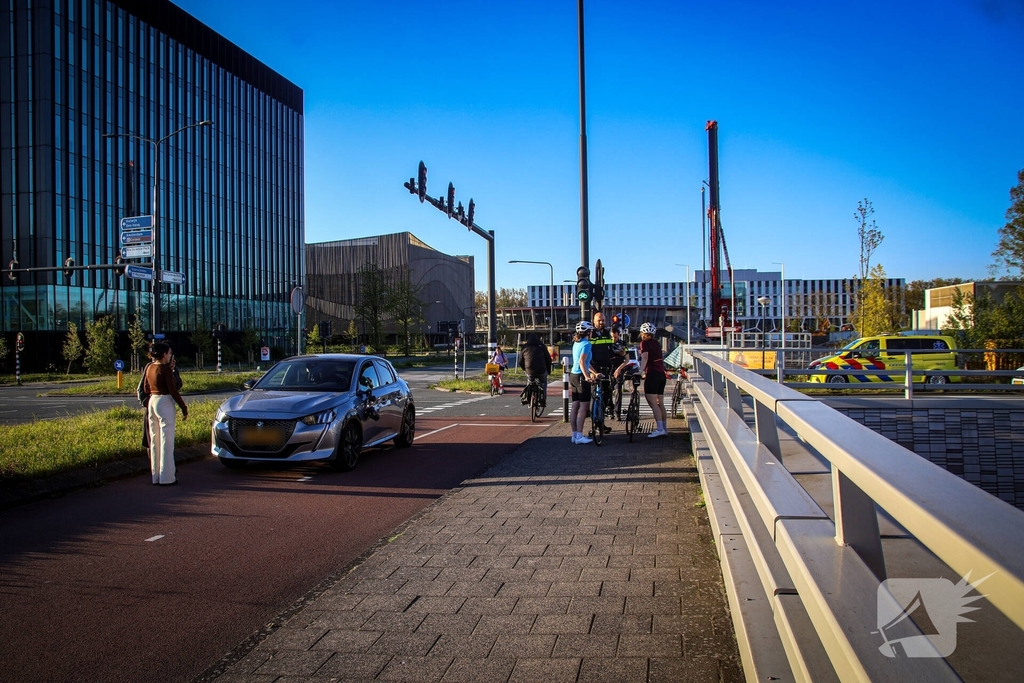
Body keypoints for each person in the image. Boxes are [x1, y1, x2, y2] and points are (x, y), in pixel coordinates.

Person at [141, 343, 188, 485]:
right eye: (169, 353)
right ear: (164, 354)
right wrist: (183, 407)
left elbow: (145, 388)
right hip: (165, 401)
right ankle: (167, 477)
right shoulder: (165, 369)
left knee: (154, 439)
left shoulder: (149, 367)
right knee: (166, 440)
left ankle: (155, 476)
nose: (170, 356)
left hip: (152, 401)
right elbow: (173, 390)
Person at [589, 312, 627, 426]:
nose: (601, 322)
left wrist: (621, 353)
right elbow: (587, 352)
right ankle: (594, 422)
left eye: (603, 320)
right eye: (599, 320)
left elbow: (611, 350)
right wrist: (591, 371)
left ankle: (601, 421)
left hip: (607, 368)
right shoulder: (591, 334)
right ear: (594, 321)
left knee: (606, 395)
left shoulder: (607, 333)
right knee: (594, 395)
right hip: (595, 368)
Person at [570, 321, 599, 444]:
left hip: (573, 375)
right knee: (583, 407)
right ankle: (580, 436)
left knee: (575, 406)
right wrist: (587, 377)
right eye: (591, 331)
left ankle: (574, 435)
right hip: (581, 377)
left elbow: (586, 362)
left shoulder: (577, 343)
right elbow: (582, 362)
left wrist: (595, 372)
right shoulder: (587, 344)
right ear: (588, 332)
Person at [638, 322, 668, 438]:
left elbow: (645, 358)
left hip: (652, 374)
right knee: (661, 403)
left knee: (653, 403)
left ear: (642, 333)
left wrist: (641, 371)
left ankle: (659, 429)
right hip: (661, 374)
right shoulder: (657, 343)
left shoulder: (644, 343)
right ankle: (664, 428)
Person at [518, 333, 552, 407]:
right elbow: (548, 359)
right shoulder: (542, 346)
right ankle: (543, 399)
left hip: (529, 370)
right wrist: (549, 370)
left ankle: (527, 397)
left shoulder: (525, 347)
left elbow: (520, 361)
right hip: (541, 370)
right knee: (543, 383)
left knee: (530, 382)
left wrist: (525, 369)